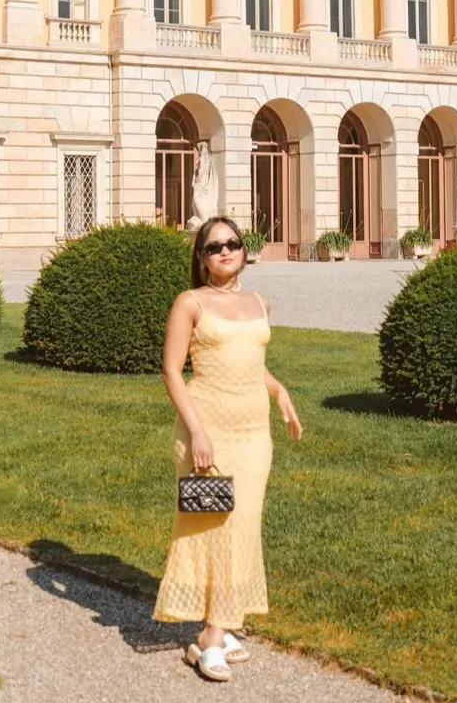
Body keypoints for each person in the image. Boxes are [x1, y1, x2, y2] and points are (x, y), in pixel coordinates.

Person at [152, 216, 303, 682]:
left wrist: (279, 393)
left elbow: (250, 363)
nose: (224, 251)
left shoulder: (258, 302)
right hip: (208, 428)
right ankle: (211, 638)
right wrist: (196, 431)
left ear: (244, 250)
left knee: (242, 526)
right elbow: (173, 370)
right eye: (214, 246)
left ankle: (218, 624)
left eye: (233, 244)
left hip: (254, 434)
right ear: (200, 256)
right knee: (214, 524)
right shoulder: (190, 302)